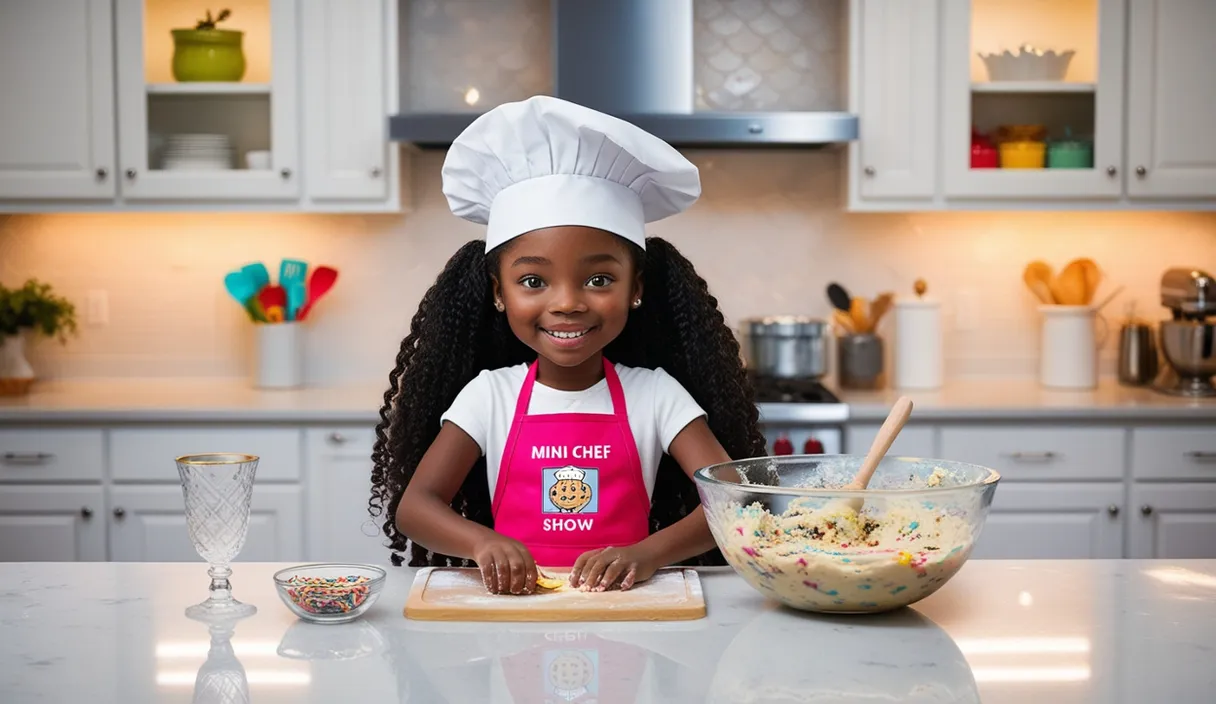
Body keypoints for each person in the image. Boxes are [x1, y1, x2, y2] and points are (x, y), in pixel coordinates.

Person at [370, 95, 765, 595]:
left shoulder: (656, 395)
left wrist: (646, 554)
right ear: (498, 293)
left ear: (635, 288)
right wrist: (482, 543)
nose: (567, 304)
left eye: (599, 279)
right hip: (515, 614)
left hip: (628, 609)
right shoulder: (490, 396)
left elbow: (731, 501)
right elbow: (416, 507)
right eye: (533, 281)